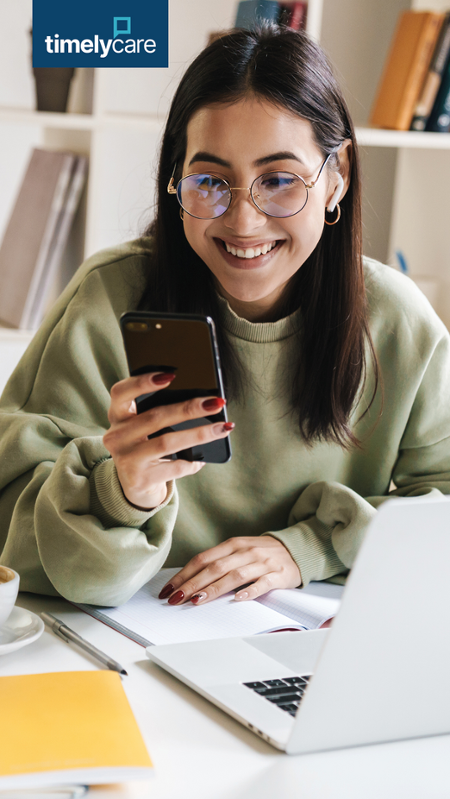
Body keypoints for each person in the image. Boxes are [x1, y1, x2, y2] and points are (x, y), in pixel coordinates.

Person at [1, 26, 450, 607]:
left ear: (335, 181)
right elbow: (19, 543)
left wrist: (310, 550)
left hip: (306, 642)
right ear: (174, 181)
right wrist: (125, 494)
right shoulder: (108, 299)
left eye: (280, 180)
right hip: (127, 640)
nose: (243, 220)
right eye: (211, 181)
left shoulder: (397, 319)